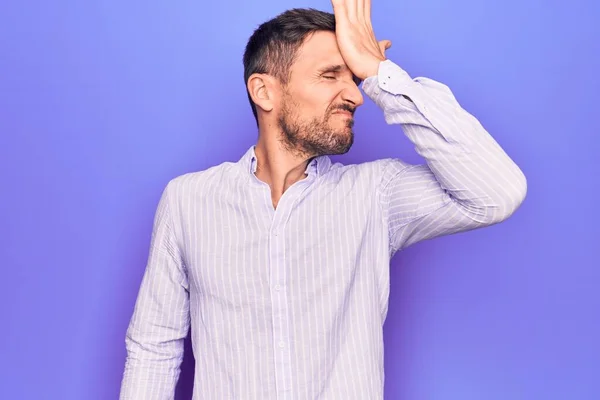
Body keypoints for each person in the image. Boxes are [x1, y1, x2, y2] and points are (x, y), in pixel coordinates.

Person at [119, 1, 527, 399]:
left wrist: (380, 74)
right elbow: (153, 347)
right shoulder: (188, 200)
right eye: (332, 75)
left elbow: (496, 193)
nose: (355, 95)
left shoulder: (376, 194)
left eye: (354, 78)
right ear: (264, 91)